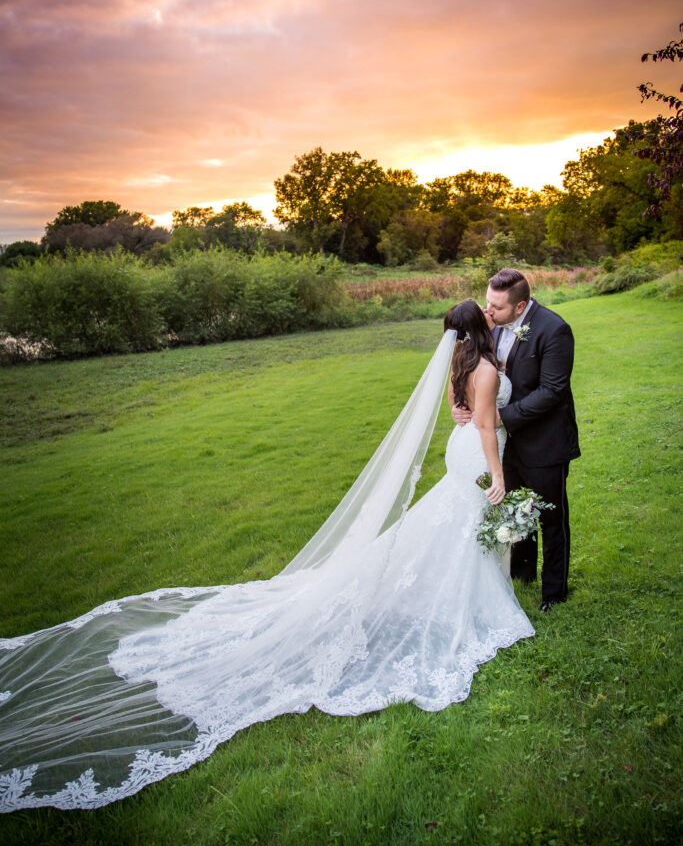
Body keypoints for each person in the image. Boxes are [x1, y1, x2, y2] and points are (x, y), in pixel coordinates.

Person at [0, 301, 533, 812]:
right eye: (485, 311)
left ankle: (449, 590)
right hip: (478, 456)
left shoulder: (462, 363)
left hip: (461, 451)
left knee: (456, 527)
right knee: (465, 524)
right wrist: (501, 475)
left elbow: (459, 412)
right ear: (480, 329)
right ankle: (464, 602)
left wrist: (474, 426)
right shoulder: (485, 365)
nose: (491, 314)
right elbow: (484, 425)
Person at [453, 269, 580, 613]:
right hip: (506, 443)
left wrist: (501, 418)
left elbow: (552, 390)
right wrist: (459, 407)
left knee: (550, 518)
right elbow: (470, 372)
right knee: (515, 512)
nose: (488, 312)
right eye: (486, 303)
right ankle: (523, 575)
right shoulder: (490, 328)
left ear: (520, 305)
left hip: (544, 441)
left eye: (496, 307)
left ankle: (554, 592)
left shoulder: (554, 330)